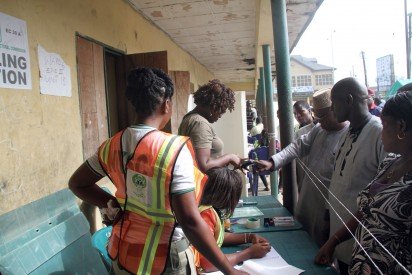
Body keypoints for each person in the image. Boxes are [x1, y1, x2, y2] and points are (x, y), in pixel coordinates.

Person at [68, 68, 243, 275]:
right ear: (166, 103)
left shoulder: (111, 145)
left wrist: (113, 205)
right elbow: (190, 221)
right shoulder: (174, 150)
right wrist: (230, 270)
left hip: (124, 254)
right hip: (166, 260)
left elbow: (77, 183)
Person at [315, 91, 412, 274]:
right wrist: (334, 240)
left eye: (385, 125)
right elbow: (365, 210)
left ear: (401, 127)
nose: (381, 131)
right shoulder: (390, 163)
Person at [255, 89, 348, 247]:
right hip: (308, 197)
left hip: (328, 205)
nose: (319, 121)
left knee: (323, 247)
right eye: (317, 117)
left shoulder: (349, 135)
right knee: (303, 241)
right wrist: (272, 162)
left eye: (323, 117)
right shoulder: (319, 129)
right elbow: (297, 147)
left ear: (336, 110)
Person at [322, 77, 387, 274]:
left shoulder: (380, 133)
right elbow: (337, 179)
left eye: (334, 102)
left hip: (364, 242)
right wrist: (327, 215)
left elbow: (382, 194)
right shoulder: (346, 134)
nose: (332, 108)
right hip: (339, 236)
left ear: (349, 100)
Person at [192, 167, 271, 273]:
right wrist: (248, 253)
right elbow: (207, 263)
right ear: (228, 197)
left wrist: (248, 237)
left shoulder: (209, 209)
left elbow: (217, 236)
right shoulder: (206, 215)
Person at [179, 79, 242, 172]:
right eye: (221, 111)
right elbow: (204, 166)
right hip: (206, 184)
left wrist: (230, 160)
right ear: (213, 106)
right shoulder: (200, 124)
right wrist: (230, 157)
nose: (220, 116)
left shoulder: (190, 118)